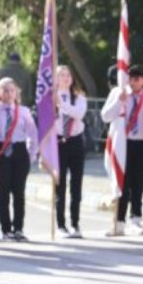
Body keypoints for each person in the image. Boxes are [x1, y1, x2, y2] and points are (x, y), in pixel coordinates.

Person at [101, 64, 143, 236]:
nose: (133, 82)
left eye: (137, 79)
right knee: (122, 181)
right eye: (130, 78)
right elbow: (105, 116)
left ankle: (136, 219)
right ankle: (119, 221)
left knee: (138, 182)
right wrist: (119, 100)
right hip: (123, 143)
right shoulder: (118, 93)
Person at [0, 77, 37, 242]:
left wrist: (30, 155)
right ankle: (6, 229)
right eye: (4, 90)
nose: (9, 93)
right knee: (3, 191)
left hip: (19, 150)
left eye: (11, 90)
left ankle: (18, 228)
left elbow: (33, 134)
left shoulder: (23, 111)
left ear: (16, 92)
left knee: (19, 192)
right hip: (1, 151)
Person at [53, 65, 87, 238]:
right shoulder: (51, 98)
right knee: (60, 186)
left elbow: (78, 114)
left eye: (68, 75)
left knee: (76, 184)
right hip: (58, 142)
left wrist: (63, 104)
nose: (65, 78)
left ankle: (75, 223)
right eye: (61, 75)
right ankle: (61, 224)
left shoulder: (79, 97)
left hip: (75, 141)